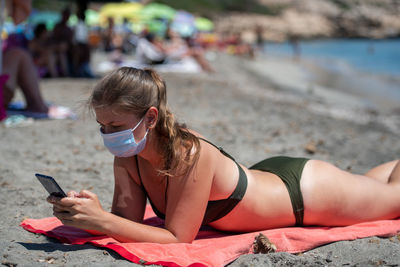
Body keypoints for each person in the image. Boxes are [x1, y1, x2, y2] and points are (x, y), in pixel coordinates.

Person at [48, 67, 400, 244]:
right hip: (263, 181)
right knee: (373, 185)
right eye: (103, 126)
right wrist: (87, 211)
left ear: (150, 118)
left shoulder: (189, 153)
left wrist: (102, 221)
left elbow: (177, 239)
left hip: (304, 195)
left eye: (116, 125)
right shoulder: (129, 154)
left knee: (394, 198)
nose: (109, 135)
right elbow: (127, 221)